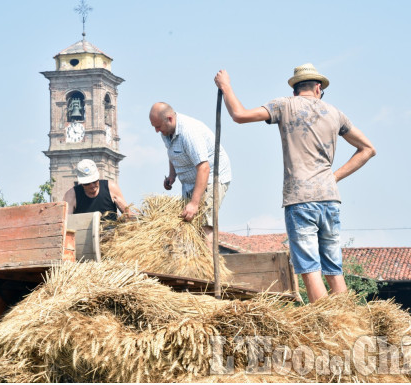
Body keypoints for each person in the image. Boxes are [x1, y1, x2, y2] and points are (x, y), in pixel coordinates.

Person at [214, 63, 376, 303]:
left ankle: (326, 322)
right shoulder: (335, 113)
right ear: (318, 88)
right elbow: (368, 149)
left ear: (295, 89)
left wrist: (225, 86)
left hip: (301, 199)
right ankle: (348, 322)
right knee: (334, 269)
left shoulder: (284, 105)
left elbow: (239, 115)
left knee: (310, 268)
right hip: (330, 198)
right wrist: (335, 176)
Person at [149, 102, 232, 247]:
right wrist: (172, 175)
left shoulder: (189, 133)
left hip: (211, 178)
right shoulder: (166, 131)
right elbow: (172, 151)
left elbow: (204, 168)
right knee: (189, 224)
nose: (156, 131)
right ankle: (194, 264)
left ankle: (208, 265)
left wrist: (194, 203)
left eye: (158, 126)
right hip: (190, 181)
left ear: (169, 119)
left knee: (205, 223)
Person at [63, 159, 132, 220]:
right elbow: (66, 221)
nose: (92, 186)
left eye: (94, 181)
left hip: (111, 232)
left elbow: (128, 214)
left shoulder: (111, 187)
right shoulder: (71, 195)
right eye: (87, 183)